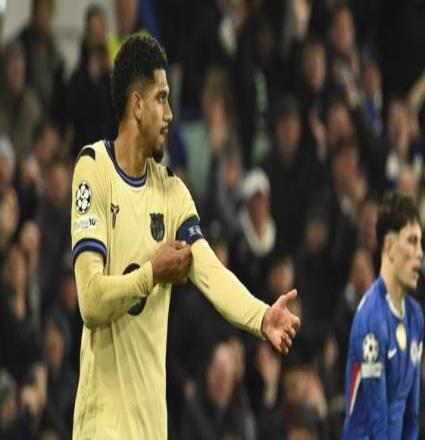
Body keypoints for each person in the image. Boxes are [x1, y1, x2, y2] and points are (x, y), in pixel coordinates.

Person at [70, 34, 300, 440]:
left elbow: (211, 272)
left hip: (152, 428)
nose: (170, 114)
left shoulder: (172, 192)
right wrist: (151, 273)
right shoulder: (94, 169)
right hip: (102, 427)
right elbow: (90, 301)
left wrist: (262, 317)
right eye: (161, 99)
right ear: (137, 104)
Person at [343, 192, 424, 439]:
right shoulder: (372, 317)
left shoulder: (415, 316)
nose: (420, 253)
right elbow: (376, 419)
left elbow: (412, 413)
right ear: (389, 246)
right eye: (412, 241)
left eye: (420, 242)